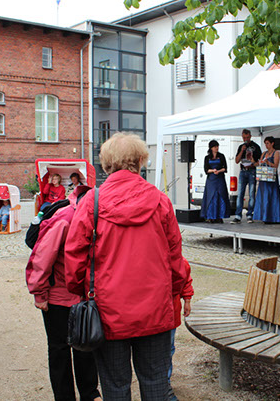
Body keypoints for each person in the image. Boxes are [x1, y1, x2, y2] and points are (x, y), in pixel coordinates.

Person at [65, 132, 190, 401]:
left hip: (109, 311)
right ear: (140, 161)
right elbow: (175, 258)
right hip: (154, 310)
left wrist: (80, 291)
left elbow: (74, 257)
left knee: (115, 386)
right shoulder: (160, 200)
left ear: (107, 163)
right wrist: (177, 291)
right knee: (156, 383)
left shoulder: (91, 202)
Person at [26, 185, 101, 401]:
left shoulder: (96, 216)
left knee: (86, 345)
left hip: (84, 296)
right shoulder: (65, 218)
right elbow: (43, 256)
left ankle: (89, 394)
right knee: (59, 349)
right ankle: (65, 396)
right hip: (58, 297)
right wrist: (39, 293)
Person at [167, 259, 193, 401]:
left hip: (171, 315)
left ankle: (165, 382)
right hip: (154, 314)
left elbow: (185, 278)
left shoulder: (179, 261)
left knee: (168, 349)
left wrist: (187, 299)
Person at [231, 129, 261, 224]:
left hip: (252, 170)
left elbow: (260, 161)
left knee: (251, 194)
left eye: (247, 137)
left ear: (250, 136)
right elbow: (236, 160)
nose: (246, 139)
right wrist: (242, 151)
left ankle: (249, 214)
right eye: (244, 138)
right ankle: (238, 215)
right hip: (243, 171)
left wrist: (253, 161)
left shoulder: (256, 147)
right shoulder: (241, 146)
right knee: (240, 194)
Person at [254, 136, 280, 224]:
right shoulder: (264, 153)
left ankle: (273, 216)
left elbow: (276, 165)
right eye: (265, 144)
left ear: (272, 143)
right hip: (264, 177)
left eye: (267, 143)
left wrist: (268, 162)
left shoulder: (276, 153)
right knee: (264, 196)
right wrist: (254, 161)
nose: (266, 145)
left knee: (272, 196)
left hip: (271, 177)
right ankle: (264, 216)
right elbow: (258, 163)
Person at [200, 140, 231, 223]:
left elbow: (225, 168)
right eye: (215, 147)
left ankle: (220, 215)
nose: (216, 148)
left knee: (220, 195)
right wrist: (213, 171)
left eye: (217, 146)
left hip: (220, 178)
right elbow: (206, 170)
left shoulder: (221, 156)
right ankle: (211, 216)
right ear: (211, 148)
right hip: (211, 179)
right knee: (211, 196)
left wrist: (219, 171)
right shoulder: (207, 157)